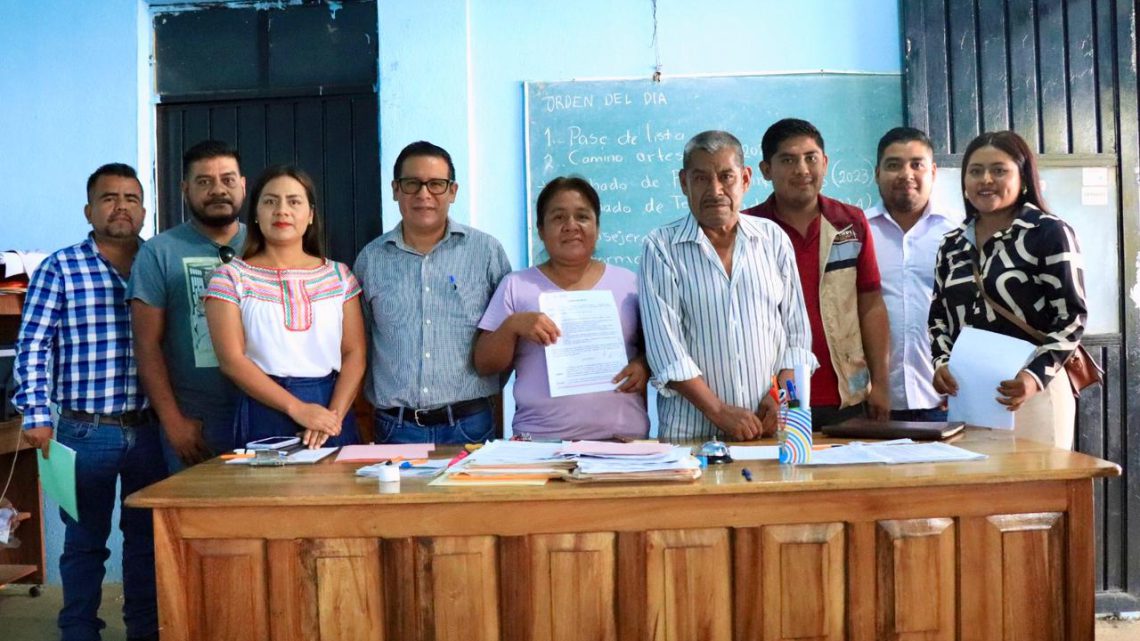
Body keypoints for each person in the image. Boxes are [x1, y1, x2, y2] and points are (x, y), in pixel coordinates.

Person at [14, 163, 166, 641]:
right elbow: (32, 344)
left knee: (146, 543)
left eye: (131, 198)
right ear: (89, 209)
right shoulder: (61, 267)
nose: (121, 206)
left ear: (145, 209)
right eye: (109, 197)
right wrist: (37, 415)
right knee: (84, 545)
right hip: (84, 432)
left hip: (149, 430)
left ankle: (145, 631)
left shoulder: (157, 263)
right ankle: (79, 632)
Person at [640, 130, 814, 441]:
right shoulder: (661, 247)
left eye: (726, 177)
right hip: (691, 435)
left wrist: (781, 401)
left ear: (745, 179)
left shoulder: (773, 240)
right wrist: (718, 411)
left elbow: (797, 336)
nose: (715, 190)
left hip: (771, 429)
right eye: (701, 178)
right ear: (683, 182)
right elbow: (665, 350)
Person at [930, 130, 1087, 449]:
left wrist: (1034, 377)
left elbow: (1072, 317)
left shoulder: (1048, 233)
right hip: (970, 395)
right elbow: (938, 318)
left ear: (1023, 178)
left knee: (1039, 496)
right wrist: (941, 363)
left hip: (1033, 392)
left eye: (999, 170)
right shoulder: (952, 244)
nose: (985, 179)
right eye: (975, 171)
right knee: (980, 494)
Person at [355, 141, 511, 444]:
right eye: (412, 183)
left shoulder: (487, 252)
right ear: (395, 189)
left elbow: (505, 339)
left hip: (471, 424)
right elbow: (358, 348)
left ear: (452, 191)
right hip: (396, 429)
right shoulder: (371, 259)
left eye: (436, 184)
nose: (423, 194)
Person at [473, 177, 650, 441]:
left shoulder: (629, 284)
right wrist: (513, 326)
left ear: (597, 226)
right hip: (541, 443)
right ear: (541, 230)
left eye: (582, 217)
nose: (571, 226)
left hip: (622, 443)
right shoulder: (516, 285)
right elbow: (484, 364)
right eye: (558, 218)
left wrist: (644, 365)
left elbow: (657, 349)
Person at [743, 118, 890, 428]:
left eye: (811, 158)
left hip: (847, 396)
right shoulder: (747, 230)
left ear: (824, 163)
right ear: (766, 169)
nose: (802, 169)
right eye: (788, 160)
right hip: (772, 401)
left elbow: (871, 304)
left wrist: (881, 384)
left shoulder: (850, 222)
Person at [204, 165, 365, 448]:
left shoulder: (339, 276)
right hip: (264, 408)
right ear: (255, 214)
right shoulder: (231, 277)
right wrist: (298, 409)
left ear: (311, 215)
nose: (282, 211)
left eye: (294, 201)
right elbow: (232, 360)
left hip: (331, 405)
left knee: (336, 491)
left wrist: (331, 417)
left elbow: (354, 353)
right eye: (270, 201)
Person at [128, 140, 248, 471]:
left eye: (227, 179)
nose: (217, 190)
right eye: (204, 181)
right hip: (195, 421)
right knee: (195, 521)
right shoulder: (159, 252)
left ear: (243, 185)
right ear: (185, 189)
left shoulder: (266, 244)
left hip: (264, 415)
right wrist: (173, 422)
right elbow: (146, 344)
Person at [865, 127, 963, 421]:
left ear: (933, 171)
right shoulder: (857, 232)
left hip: (946, 395)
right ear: (877, 173)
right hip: (871, 399)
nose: (905, 174)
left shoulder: (959, 232)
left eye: (916, 164)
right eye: (893, 165)